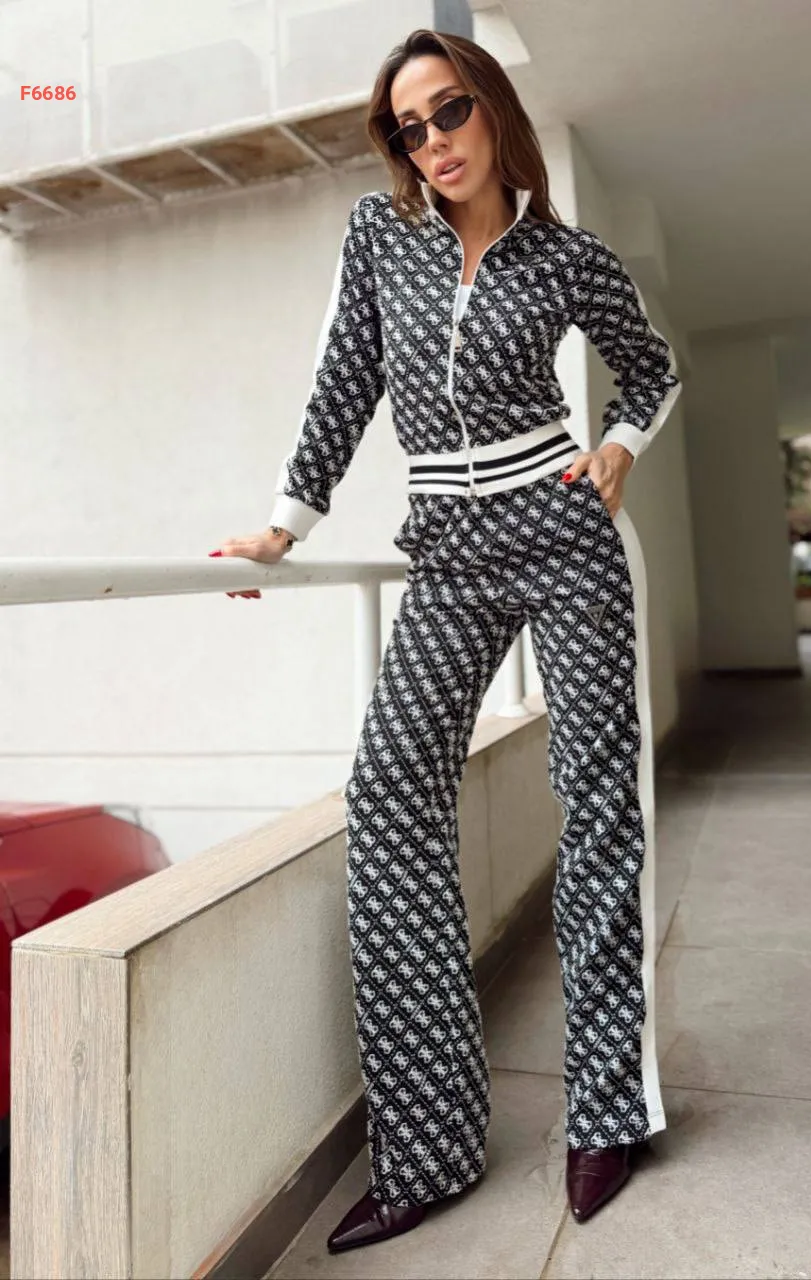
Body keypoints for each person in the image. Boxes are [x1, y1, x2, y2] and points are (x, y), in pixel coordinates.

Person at [209, 26, 682, 1255]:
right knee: (388, 792)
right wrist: (287, 522)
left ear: (493, 108)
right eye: (407, 127)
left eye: (449, 111)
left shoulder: (568, 256)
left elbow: (653, 370)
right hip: (450, 555)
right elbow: (343, 382)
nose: (432, 141)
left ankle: (608, 1108)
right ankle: (428, 1145)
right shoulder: (381, 237)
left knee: (598, 805)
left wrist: (618, 447)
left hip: (564, 532)